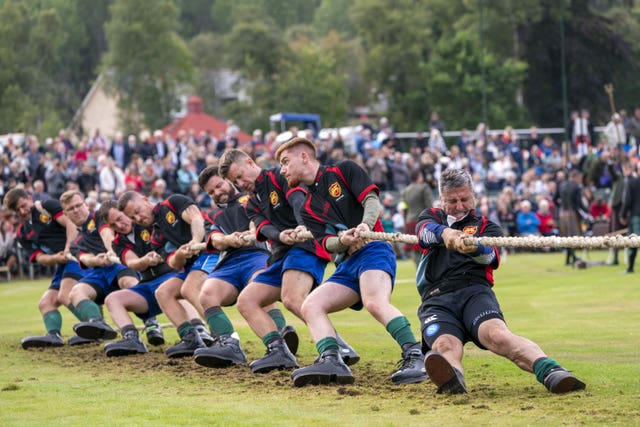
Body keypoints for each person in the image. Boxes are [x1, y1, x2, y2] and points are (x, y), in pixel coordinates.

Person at [415, 168, 585, 394]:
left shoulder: (487, 226)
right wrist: (447, 234)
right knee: (445, 345)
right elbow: (424, 233)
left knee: (497, 335)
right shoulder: (431, 217)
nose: (459, 206)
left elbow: (491, 256)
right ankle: (453, 380)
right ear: (441, 200)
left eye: (464, 199)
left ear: (473, 196)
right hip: (436, 298)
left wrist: (475, 246)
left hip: (474, 291)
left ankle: (551, 370)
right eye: (452, 201)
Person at [275, 137, 426, 386]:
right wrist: (343, 241)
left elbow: (371, 200)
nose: (282, 169)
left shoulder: (343, 170)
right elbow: (326, 243)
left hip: (374, 249)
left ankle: (415, 355)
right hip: (347, 263)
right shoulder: (307, 208)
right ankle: (332, 360)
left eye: (285, 161)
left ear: (304, 157)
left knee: (374, 302)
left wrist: (365, 225)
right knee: (310, 305)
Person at [218, 148, 359, 374]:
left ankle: (337, 348)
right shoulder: (252, 203)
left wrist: (301, 223)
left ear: (250, 162)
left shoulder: (278, 176)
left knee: (292, 298)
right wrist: (280, 235)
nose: (240, 183)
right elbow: (263, 227)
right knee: (246, 301)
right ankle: (278, 352)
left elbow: (298, 200)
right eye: (235, 181)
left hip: (306, 246)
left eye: (240, 175)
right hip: (282, 255)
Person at [193, 166, 296, 369]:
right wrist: (228, 239)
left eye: (218, 186)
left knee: (258, 288)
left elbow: (255, 222)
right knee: (206, 294)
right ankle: (229, 344)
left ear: (229, 180)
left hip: (257, 255)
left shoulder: (251, 199)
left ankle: (280, 336)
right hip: (228, 262)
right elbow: (214, 238)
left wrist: (249, 233)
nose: (217, 193)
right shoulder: (214, 215)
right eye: (211, 192)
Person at [117, 191, 217, 358]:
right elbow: (173, 263)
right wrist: (179, 255)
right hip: (191, 266)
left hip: (210, 252)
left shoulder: (173, 202)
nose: (138, 218)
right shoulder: (155, 236)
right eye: (133, 218)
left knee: (189, 288)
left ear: (145, 199)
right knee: (163, 292)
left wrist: (194, 240)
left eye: (137, 211)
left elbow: (196, 219)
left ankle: (223, 338)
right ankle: (191, 339)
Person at [98, 201, 187, 356]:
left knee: (179, 288)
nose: (120, 225)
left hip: (170, 274)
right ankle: (132, 339)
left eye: (120, 218)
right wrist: (144, 260)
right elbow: (132, 263)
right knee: (112, 299)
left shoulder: (148, 223)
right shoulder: (118, 242)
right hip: (146, 285)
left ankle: (197, 332)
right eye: (113, 224)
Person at [3, 188, 88, 348]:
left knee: (65, 295)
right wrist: (56, 257)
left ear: (29, 198)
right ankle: (54, 335)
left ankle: (96, 327)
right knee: (45, 303)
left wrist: (68, 248)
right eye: (17, 209)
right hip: (63, 262)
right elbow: (39, 258)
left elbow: (71, 223)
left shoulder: (46, 206)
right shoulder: (22, 232)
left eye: (23, 205)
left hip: (79, 254)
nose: (22, 211)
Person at [62, 190, 140, 340]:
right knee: (75, 293)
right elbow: (86, 259)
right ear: (65, 214)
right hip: (100, 273)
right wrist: (97, 260)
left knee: (129, 282)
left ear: (85, 205)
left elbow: (106, 233)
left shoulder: (99, 216)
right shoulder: (75, 243)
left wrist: (111, 251)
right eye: (71, 209)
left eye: (78, 205)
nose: (76, 210)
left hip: (120, 264)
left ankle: (151, 323)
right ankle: (97, 324)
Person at [401, 169, 434, 265]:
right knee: (426, 247)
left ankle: (418, 269)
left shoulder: (405, 191)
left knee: (414, 248)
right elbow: (429, 205)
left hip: (409, 221)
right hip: (422, 221)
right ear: (419, 177)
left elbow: (404, 208)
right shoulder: (424, 187)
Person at [557, 170, 589, 265]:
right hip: (571, 213)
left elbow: (555, 199)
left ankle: (569, 258)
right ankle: (572, 257)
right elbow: (578, 202)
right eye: (579, 179)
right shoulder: (577, 187)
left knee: (566, 237)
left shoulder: (561, 185)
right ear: (576, 177)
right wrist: (586, 211)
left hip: (562, 212)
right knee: (572, 237)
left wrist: (561, 206)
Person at [620, 163, 640, 274]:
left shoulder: (632, 183)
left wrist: (622, 215)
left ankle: (630, 267)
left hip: (636, 215)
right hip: (636, 215)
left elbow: (627, 200)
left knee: (633, 241)